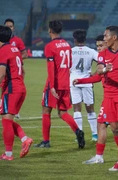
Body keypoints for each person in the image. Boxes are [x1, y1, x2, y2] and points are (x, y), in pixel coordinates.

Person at [75, 35, 118, 169]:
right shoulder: (103, 59)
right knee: (105, 125)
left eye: (101, 45)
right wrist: (81, 81)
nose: (99, 48)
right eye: (97, 46)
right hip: (108, 98)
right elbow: (97, 77)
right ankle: (106, 156)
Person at [34, 20, 85, 149]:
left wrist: (52, 86)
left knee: (46, 110)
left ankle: (46, 141)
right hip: (65, 82)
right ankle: (78, 131)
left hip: (54, 84)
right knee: (63, 112)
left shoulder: (50, 46)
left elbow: (51, 68)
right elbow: (69, 65)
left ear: (50, 30)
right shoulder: (67, 45)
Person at [0, 25, 33, 160]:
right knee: (7, 121)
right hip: (20, 88)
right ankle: (25, 139)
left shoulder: (3, 50)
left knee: (6, 122)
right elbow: (22, 71)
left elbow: (1, 73)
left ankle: (8, 155)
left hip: (12, 89)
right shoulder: (15, 49)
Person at [0, 19, 28, 119]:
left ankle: (11, 111)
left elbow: (25, 54)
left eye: (10, 26)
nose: (9, 28)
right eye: (7, 26)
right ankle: (10, 111)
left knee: (7, 109)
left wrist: (13, 58)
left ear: (13, 28)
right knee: (5, 97)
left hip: (11, 72)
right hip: (5, 70)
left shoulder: (17, 41)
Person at [70, 29, 98, 141]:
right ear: (85, 39)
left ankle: (79, 135)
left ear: (75, 39)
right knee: (90, 109)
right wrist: (94, 75)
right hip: (87, 82)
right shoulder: (91, 51)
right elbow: (102, 63)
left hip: (73, 82)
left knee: (77, 108)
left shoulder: (70, 51)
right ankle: (95, 135)